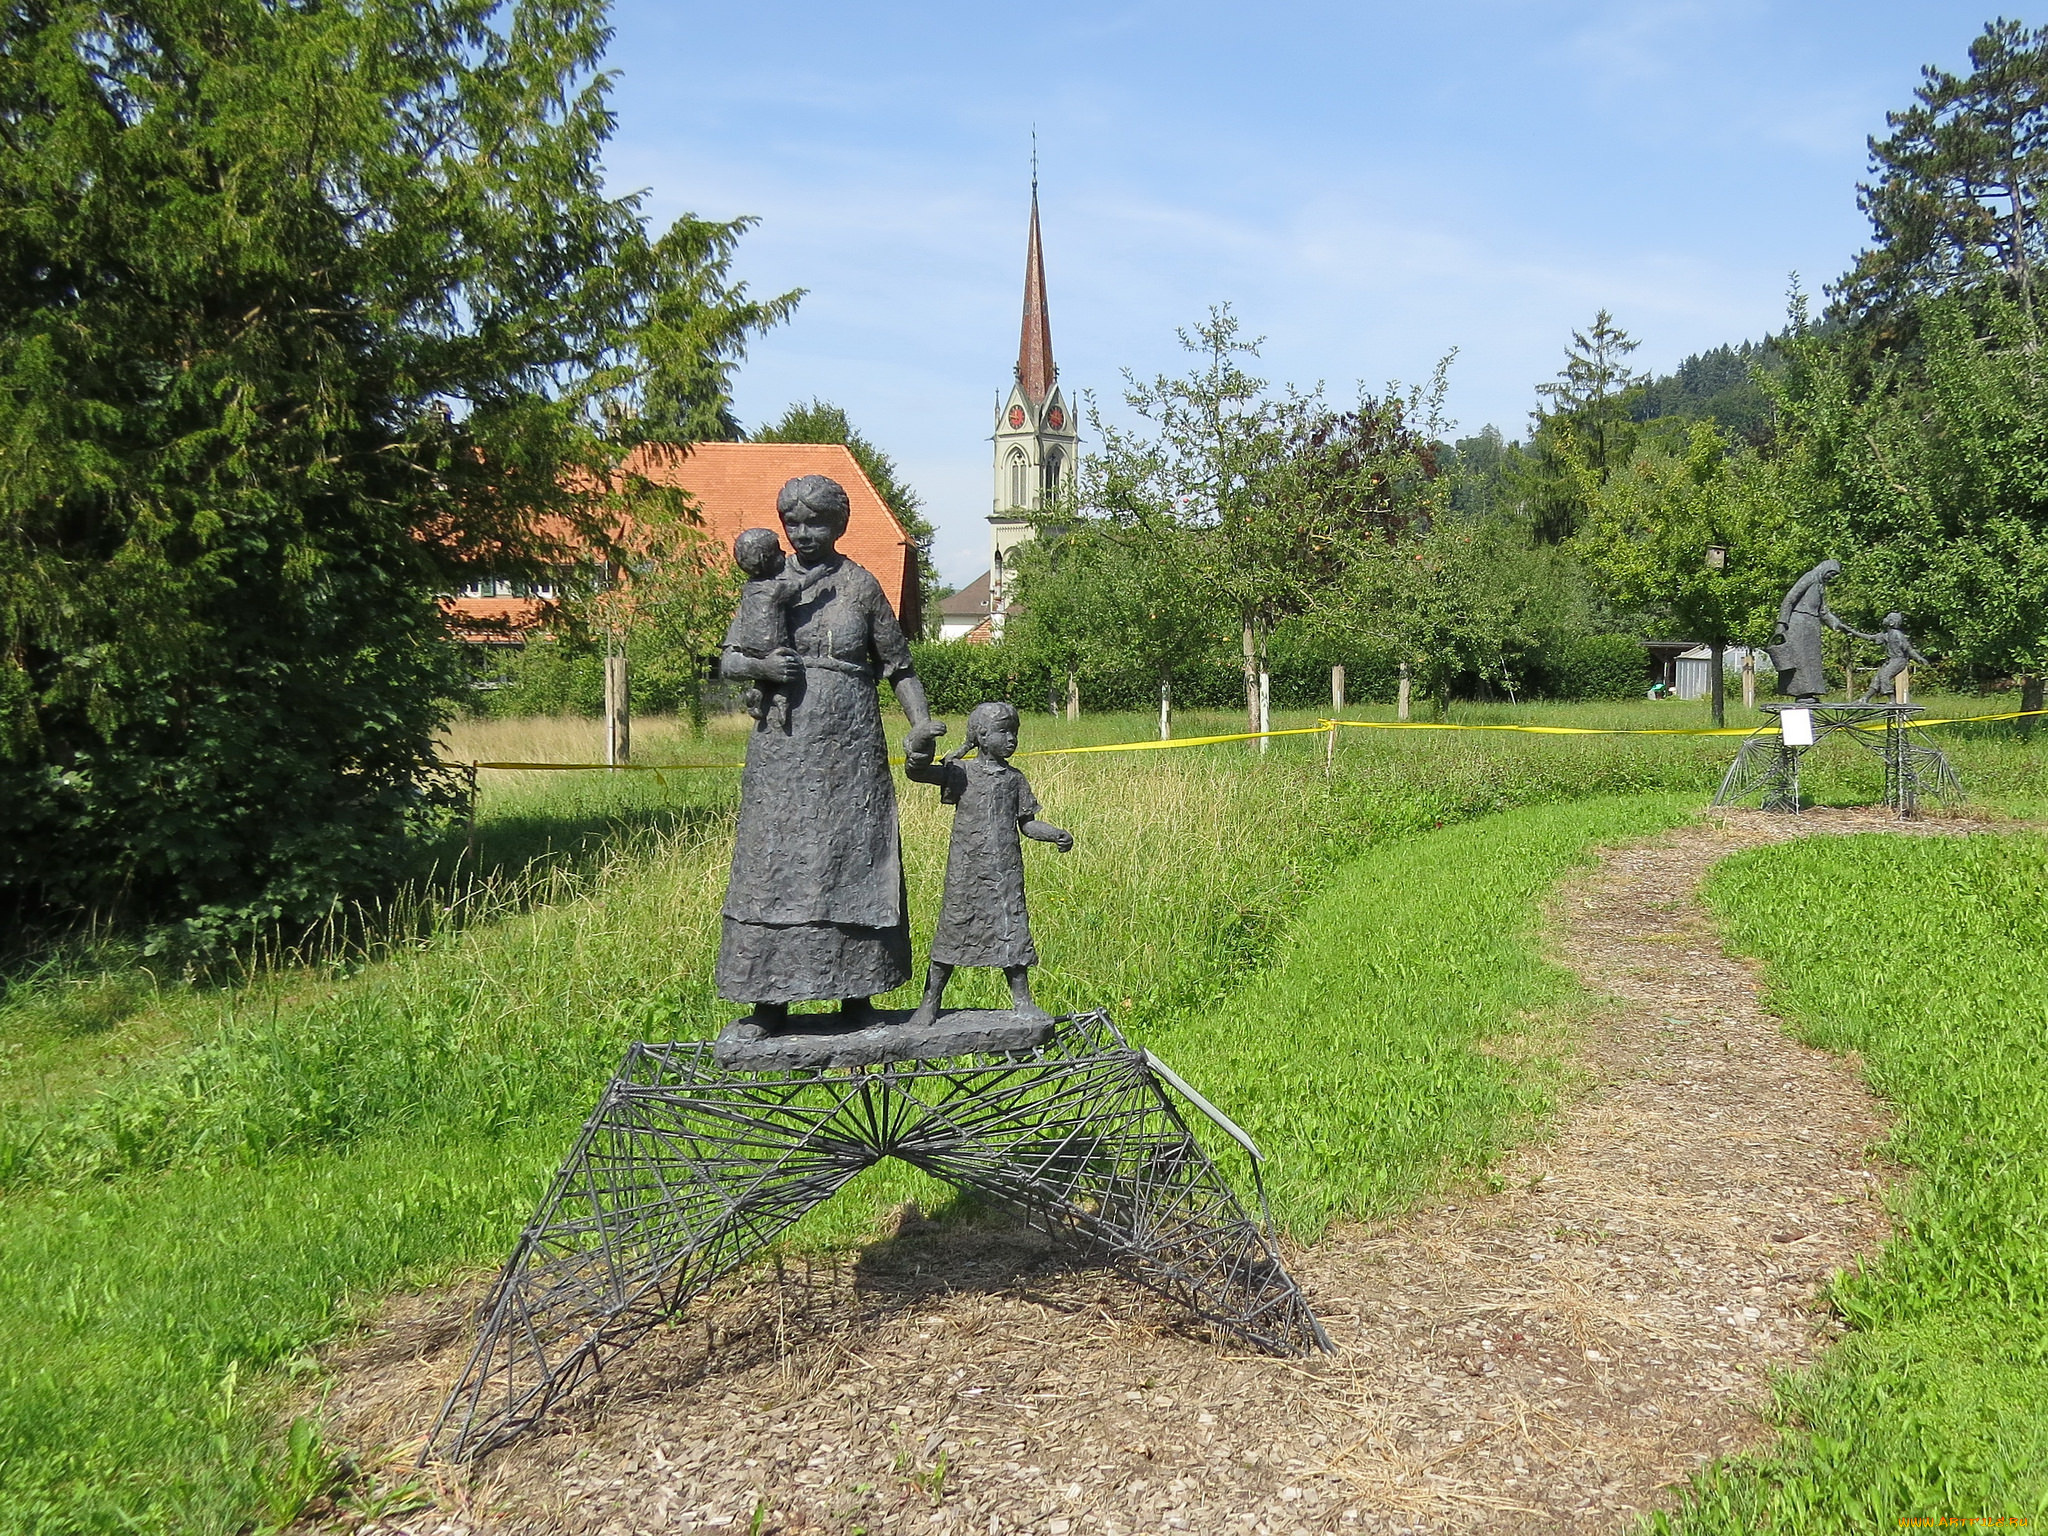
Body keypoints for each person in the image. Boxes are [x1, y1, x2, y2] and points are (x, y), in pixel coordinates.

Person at [714, 476, 945, 1033]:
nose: (802, 533)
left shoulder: (861, 587)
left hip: (852, 749)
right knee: (776, 865)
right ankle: (768, 1003)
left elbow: (900, 667)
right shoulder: (765, 583)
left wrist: (921, 724)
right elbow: (728, 661)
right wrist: (763, 668)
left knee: (853, 861)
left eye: (814, 522)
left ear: (838, 525)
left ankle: (858, 997)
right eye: (793, 523)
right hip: (783, 750)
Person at [902, 701, 1073, 1026]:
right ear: (981, 735)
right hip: (966, 871)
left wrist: (1054, 834)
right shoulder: (961, 772)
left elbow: (1027, 823)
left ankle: (1023, 1001)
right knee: (953, 930)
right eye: (1003, 732)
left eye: (1014, 733)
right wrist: (923, 742)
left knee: (1012, 931)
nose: (1011, 739)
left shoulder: (1014, 779)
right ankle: (930, 1001)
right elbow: (917, 772)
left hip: (1005, 872)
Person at [727, 526, 826, 732]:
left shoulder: (749, 589)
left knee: (768, 675)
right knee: (787, 664)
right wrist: (820, 573)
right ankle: (781, 699)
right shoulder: (776, 588)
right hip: (773, 643)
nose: (784, 553)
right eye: (778, 551)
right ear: (765, 559)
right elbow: (728, 664)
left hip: (753, 645)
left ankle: (758, 693)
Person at [1766, 558, 1848, 704]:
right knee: (1800, 659)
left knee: (1812, 660)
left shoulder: (1820, 586)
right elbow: (1789, 599)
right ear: (1825, 568)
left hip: (1812, 626)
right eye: (1831, 573)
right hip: (1798, 624)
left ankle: (1809, 691)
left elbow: (1823, 611)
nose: (1831, 577)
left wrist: (1837, 624)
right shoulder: (1810, 577)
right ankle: (1802, 692)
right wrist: (1781, 623)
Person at [1851, 611, 1930, 702]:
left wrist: (1919, 658)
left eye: (1888, 618)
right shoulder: (1886, 634)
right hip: (1891, 660)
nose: (1885, 619)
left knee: (1884, 676)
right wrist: (1852, 632)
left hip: (1899, 660)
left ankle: (1892, 700)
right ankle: (1865, 698)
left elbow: (1908, 648)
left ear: (1892, 622)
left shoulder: (1897, 634)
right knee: (1877, 678)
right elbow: (1869, 637)